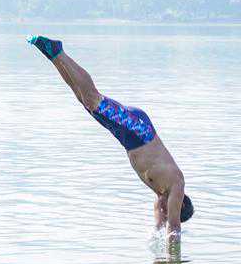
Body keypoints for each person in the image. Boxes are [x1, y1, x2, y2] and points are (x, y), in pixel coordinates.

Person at [28, 35, 193, 233]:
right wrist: (175, 258)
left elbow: (159, 229)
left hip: (130, 139)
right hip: (139, 131)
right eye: (170, 211)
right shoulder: (177, 184)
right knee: (93, 99)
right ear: (180, 203)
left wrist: (159, 258)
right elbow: (173, 228)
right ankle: (58, 51)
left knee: (85, 102)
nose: (165, 214)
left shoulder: (161, 196)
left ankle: (53, 56)